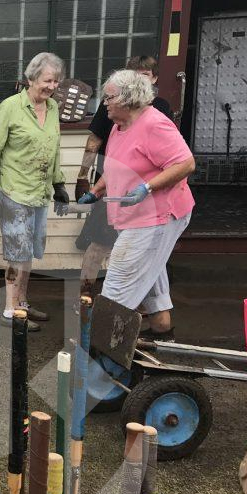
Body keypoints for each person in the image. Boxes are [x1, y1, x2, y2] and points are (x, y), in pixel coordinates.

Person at [79, 70, 195, 341]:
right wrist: (95, 191)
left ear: (129, 98)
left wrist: (147, 187)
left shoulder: (154, 124)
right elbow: (119, 167)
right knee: (151, 272)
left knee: (119, 282)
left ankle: (103, 358)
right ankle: (162, 332)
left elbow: (185, 163)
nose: (104, 103)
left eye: (109, 98)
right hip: (133, 218)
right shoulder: (119, 126)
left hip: (157, 216)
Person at [0, 53, 70, 332]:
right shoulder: (10, 108)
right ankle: (10, 311)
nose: (52, 86)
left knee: (29, 252)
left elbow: (53, 149)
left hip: (39, 191)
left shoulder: (52, 108)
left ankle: (22, 304)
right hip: (15, 191)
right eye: (47, 80)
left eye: (56, 81)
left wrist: (59, 184)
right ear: (30, 79)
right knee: (17, 252)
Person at [74, 56, 173, 298]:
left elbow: (177, 161)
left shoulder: (160, 110)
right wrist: (83, 178)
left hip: (147, 196)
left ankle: (141, 307)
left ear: (155, 78)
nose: (139, 80)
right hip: (111, 187)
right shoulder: (113, 107)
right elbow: (95, 140)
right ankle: (84, 298)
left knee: (144, 252)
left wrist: (150, 187)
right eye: (134, 74)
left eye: (145, 75)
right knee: (99, 243)